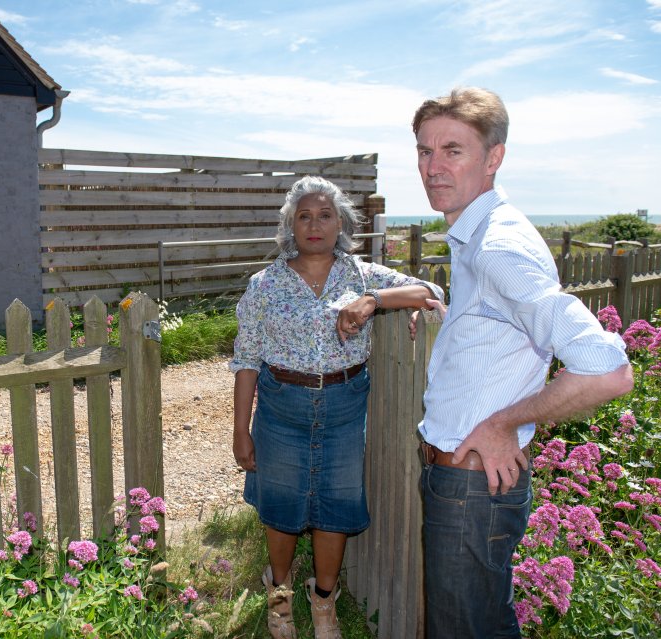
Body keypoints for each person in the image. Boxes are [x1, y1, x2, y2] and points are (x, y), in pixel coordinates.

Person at [409, 87, 633, 638]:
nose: (432, 167)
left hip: (470, 488)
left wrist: (506, 422)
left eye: (452, 151)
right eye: (423, 150)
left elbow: (608, 370)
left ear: (493, 157)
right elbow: (501, 326)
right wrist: (449, 315)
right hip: (465, 483)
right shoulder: (478, 234)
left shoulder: (497, 247)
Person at [231, 175, 444, 639]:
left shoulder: (362, 275)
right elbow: (246, 359)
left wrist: (377, 300)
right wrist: (240, 429)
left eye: (324, 215)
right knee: (281, 507)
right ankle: (280, 597)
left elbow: (431, 291)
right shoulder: (264, 285)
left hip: (345, 408)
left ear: (341, 223)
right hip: (281, 408)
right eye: (303, 216)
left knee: (335, 506)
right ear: (290, 225)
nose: (314, 224)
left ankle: (324, 602)